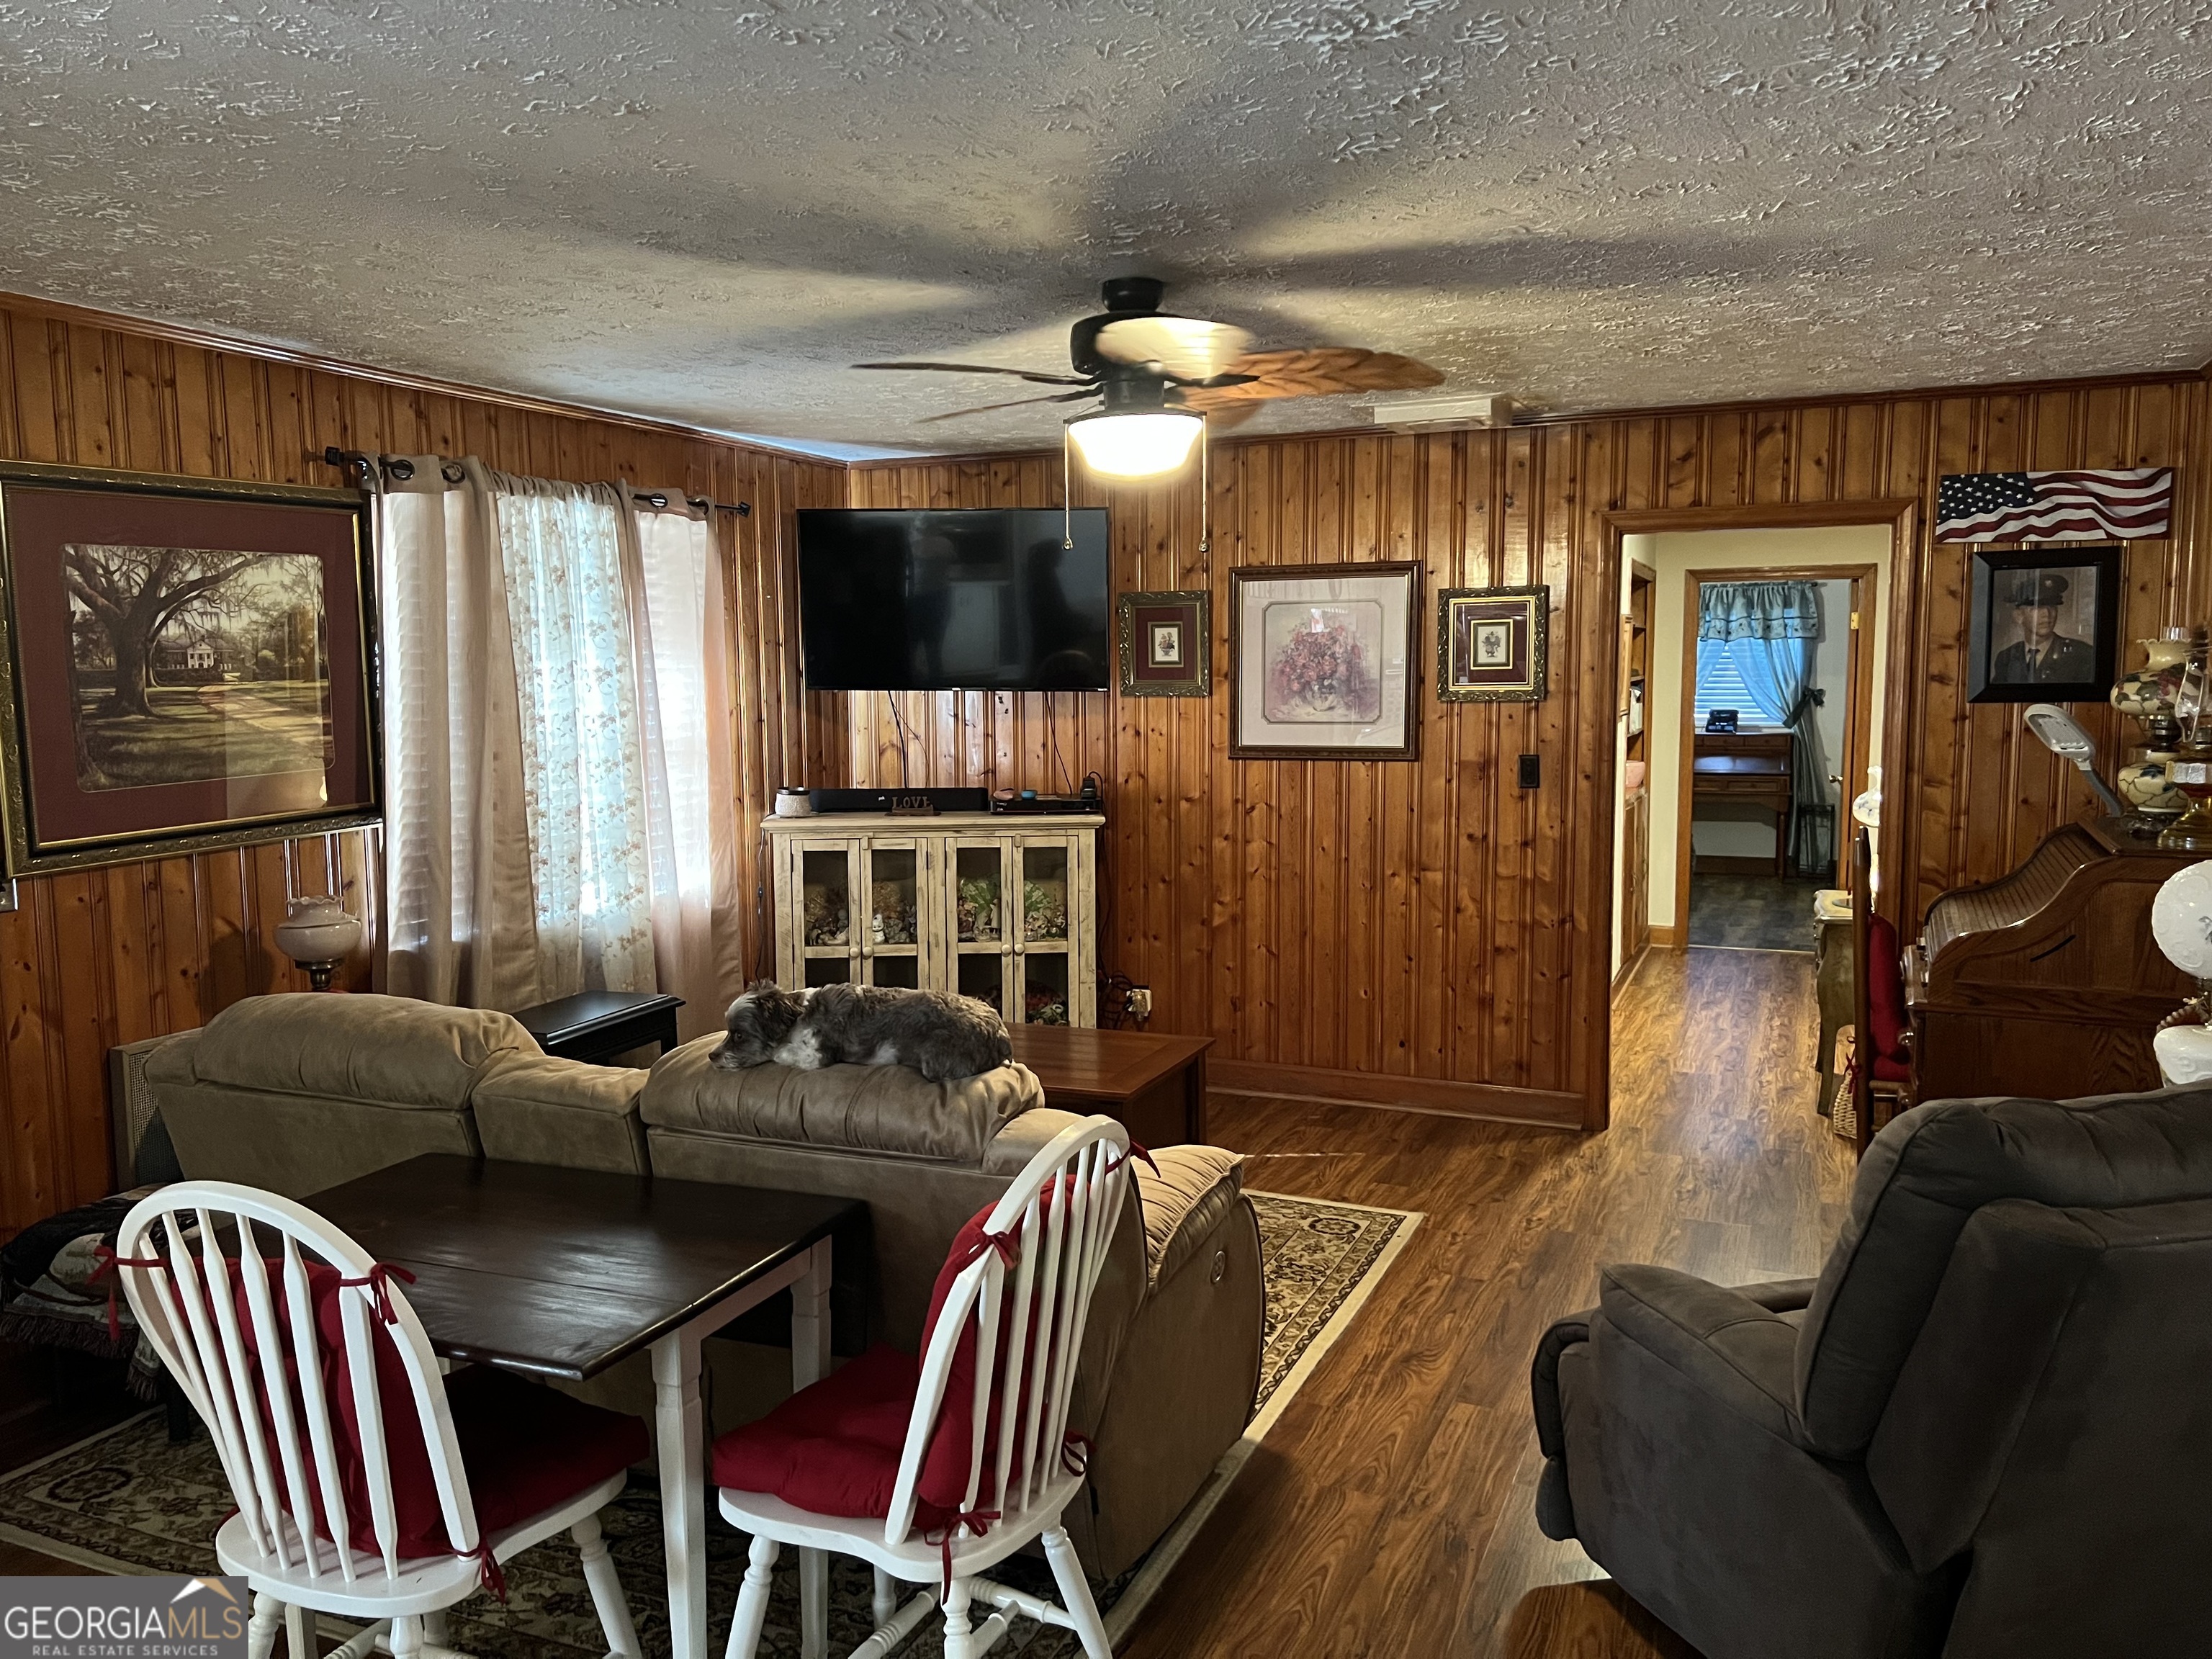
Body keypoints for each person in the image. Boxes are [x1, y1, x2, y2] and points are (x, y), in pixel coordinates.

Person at [1990, 571, 2095, 684]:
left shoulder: (2082, 655)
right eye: (2038, 608)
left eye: (2052, 607)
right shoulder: (2005, 658)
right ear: (2019, 616)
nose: (2047, 614)